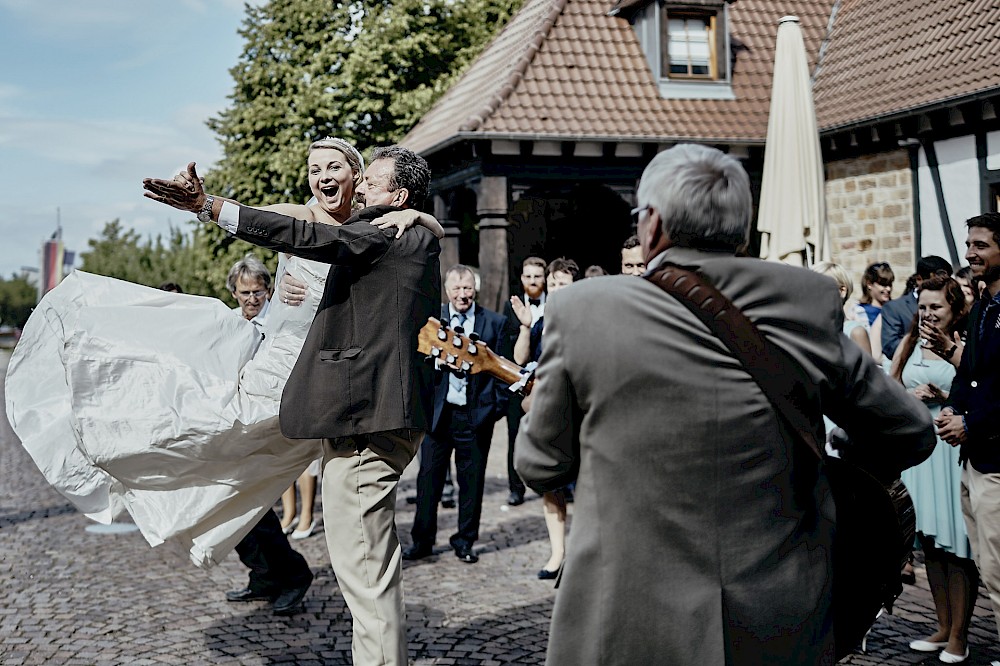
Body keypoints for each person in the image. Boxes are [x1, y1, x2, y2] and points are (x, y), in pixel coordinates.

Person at [514, 143, 935, 664]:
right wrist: (829, 459)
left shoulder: (582, 309)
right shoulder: (805, 298)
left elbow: (539, 463)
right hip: (777, 608)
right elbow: (911, 431)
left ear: (652, 224)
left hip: (629, 611)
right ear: (741, 227)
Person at [5, 138, 440, 600]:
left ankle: (284, 565)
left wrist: (419, 214)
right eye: (314, 169)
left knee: (259, 458)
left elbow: (406, 249)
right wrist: (204, 204)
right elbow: (264, 223)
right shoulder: (302, 216)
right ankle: (125, 443)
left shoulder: (382, 227)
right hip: (283, 359)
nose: (322, 176)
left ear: (358, 176)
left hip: (333, 381)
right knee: (224, 431)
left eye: (335, 167)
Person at [143, 144, 441, 666]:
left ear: (398, 194)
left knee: (365, 570)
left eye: (370, 180)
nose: (362, 188)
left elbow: (308, 235)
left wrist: (208, 207)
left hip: (368, 424)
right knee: (364, 570)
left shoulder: (389, 233)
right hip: (354, 415)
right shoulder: (407, 230)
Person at [888, 276, 976, 662]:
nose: (927, 313)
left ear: (955, 308)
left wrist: (945, 396)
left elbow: (983, 391)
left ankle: (960, 635)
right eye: (922, 306)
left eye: (936, 307)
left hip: (952, 452)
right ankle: (941, 626)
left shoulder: (966, 345)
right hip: (920, 456)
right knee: (933, 546)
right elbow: (888, 389)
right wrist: (910, 395)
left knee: (959, 547)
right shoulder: (909, 344)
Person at [222, 253, 316, 615]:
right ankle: (263, 575)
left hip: (269, 425)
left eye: (258, 292)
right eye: (245, 292)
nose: (251, 299)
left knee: (255, 508)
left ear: (268, 290)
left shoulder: (278, 323)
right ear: (234, 293)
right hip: (234, 425)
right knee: (233, 507)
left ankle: (293, 574)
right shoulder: (227, 324)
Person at [404, 264, 509, 564]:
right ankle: (422, 541)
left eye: (467, 288)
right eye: (456, 289)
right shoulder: (433, 322)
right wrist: (439, 364)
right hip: (439, 414)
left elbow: (504, 370)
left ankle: (465, 541)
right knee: (428, 481)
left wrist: (494, 411)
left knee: (472, 483)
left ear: (474, 289)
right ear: (447, 291)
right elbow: (417, 364)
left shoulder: (494, 323)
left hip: (476, 417)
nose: (462, 295)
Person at [937, 213, 1000, 664]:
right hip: (973, 459)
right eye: (969, 244)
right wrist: (952, 410)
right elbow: (972, 375)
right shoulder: (981, 309)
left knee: (999, 571)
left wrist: (971, 423)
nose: (970, 253)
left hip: (998, 459)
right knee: (987, 565)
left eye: (980, 245)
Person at [511, 257, 578, 579]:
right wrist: (525, 325)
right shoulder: (540, 322)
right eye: (553, 285)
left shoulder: (586, 322)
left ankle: (582, 554)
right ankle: (557, 555)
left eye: (562, 285)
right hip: (550, 416)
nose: (556, 290)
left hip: (579, 417)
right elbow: (521, 359)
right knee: (552, 486)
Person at [499, 256, 547, 507]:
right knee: (515, 436)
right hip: (519, 386)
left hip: (549, 383)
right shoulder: (511, 308)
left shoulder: (556, 303)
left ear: (545, 278)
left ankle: (546, 483)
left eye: (537, 276)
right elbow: (510, 353)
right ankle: (515, 488)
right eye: (528, 276)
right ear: (521, 278)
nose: (532, 281)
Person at [882, 255, 953, 360]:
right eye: (935, 281)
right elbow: (890, 347)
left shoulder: (951, 303)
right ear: (919, 279)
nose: (942, 285)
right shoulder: (895, 308)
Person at [812, 261, 871, 354]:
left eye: (821, 286)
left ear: (842, 291)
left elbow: (866, 368)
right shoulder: (810, 330)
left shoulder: (856, 333)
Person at [856, 261, 894, 326]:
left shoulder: (895, 310)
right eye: (883, 284)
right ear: (869, 284)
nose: (888, 289)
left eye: (890, 284)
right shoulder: (859, 312)